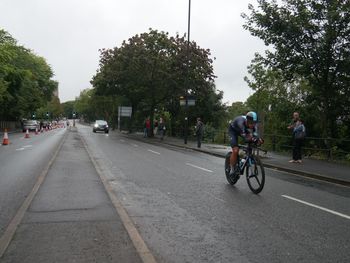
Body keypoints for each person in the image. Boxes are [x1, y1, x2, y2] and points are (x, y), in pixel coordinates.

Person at [228, 111, 263, 178]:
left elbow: (255, 135)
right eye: (251, 123)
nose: (253, 125)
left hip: (243, 130)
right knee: (235, 150)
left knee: (251, 142)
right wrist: (252, 138)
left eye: (254, 123)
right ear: (247, 120)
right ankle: (232, 169)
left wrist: (259, 139)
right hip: (233, 131)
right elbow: (245, 137)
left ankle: (244, 158)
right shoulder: (241, 122)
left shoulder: (253, 125)